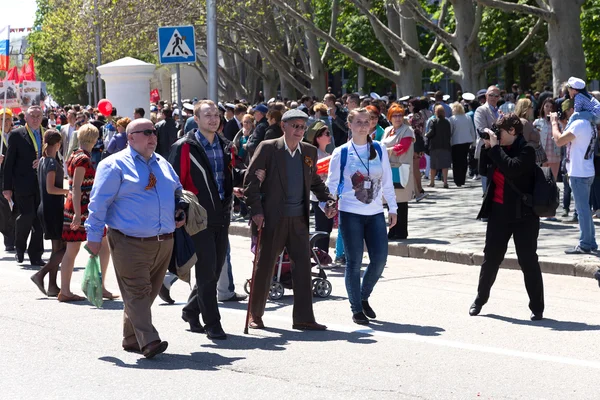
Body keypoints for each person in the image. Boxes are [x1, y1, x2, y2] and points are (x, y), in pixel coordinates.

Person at [85, 118, 186, 359]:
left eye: (154, 132)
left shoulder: (162, 162)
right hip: (129, 242)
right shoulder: (114, 165)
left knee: (145, 293)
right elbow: (98, 204)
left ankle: (131, 337)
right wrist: (94, 236)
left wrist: (180, 206)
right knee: (138, 293)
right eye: (146, 132)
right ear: (130, 138)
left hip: (164, 241)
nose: (153, 136)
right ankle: (149, 340)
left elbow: (177, 188)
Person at [244, 109, 336, 331]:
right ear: (283, 126)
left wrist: (328, 200)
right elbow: (250, 182)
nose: (299, 130)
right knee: (265, 266)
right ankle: (255, 315)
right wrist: (256, 211)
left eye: (302, 127)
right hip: (272, 219)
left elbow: (313, 180)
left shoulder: (309, 151)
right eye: (294, 125)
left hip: (299, 219)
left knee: (303, 268)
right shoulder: (268, 148)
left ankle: (304, 318)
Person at [169, 100, 245, 340]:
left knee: (213, 269)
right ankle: (213, 323)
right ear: (196, 119)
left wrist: (244, 181)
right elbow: (174, 182)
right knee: (206, 271)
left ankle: (191, 310)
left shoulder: (225, 145)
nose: (213, 119)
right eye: (207, 115)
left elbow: (229, 177)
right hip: (198, 217)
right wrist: (179, 209)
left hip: (223, 215)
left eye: (216, 115)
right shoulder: (183, 147)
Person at [470, 113, 544, 321]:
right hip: (498, 212)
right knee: (491, 259)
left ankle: (537, 307)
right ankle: (480, 299)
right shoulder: (496, 149)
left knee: (528, 261)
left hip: (524, 215)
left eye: (499, 132)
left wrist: (494, 149)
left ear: (512, 131)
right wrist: (487, 147)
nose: (497, 136)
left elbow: (512, 169)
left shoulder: (527, 149)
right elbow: (483, 170)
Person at [326, 108, 397, 325]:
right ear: (349, 124)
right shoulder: (341, 152)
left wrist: (392, 208)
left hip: (375, 213)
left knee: (379, 260)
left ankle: (363, 296)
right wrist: (326, 204)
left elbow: (386, 181)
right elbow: (331, 184)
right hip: (350, 213)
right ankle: (356, 308)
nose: (363, 125)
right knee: (354, 262)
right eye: (358, 122)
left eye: (367, 122)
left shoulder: (379, 148)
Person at [59, 123, 116, 302]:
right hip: (82, 208)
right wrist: (77, 213)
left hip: (75, 206)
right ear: (94, 138)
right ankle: (100, 287)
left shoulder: (74, 154)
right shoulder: (83, 158)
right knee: (103, 246)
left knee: (72, 250)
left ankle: (66, 290)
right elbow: (76, 187)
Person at [551, 99, 598, 254]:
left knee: (583, 209)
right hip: (585, 170)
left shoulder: (580, 124)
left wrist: (553, 124)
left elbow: (559, 141)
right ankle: (590, 242)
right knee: (585, 208)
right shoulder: (589, 123)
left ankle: (585, 244)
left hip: (579, 172)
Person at [2, 106, 45, 266]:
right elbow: (9, 163)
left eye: (38, 116)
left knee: (40, 220)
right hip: (22, 184)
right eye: (32, 116)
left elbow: (55, 157)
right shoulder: (16, 135)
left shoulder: (46, 133)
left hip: (42, 184)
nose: (35, 119)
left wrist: (43, 161)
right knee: (27, 215)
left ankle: (36, 254)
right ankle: (20, 246)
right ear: (25, 118)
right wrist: (7, 187)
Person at [30, 130, 68, 297]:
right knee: (66, 248)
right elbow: (50, 188)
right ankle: (41, 274)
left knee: (57, 248)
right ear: (58, 144)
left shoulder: (43, 160)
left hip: (46, 207)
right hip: (52, 209)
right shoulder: (51, 162)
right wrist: (68, 191)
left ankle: (53, 286)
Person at [382, 104, 414, 240]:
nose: (398, 118)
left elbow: (403, 148)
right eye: (395, 115)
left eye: (400, 115)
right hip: (388, 169)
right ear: (389, 117)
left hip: (400, 169)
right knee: (390, 201)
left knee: (400, 202)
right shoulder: (388, 130)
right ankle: (392, 229)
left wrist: (385, 150)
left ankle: (401, 231)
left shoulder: (407, 130)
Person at [306, 120, 333, 253]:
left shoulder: (327, 154)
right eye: (326, 133)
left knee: (327, 227)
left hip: (328, 194)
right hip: (318, 196)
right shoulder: (314, 153)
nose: (329, 136)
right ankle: (320, 254)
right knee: (322, 227)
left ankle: (324, 254)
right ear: (318, 137)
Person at [474, 86, 501, 192]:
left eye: (496, 95)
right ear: (486, 96)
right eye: (490, 95)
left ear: (499, 97)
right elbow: (482, 131)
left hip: (499, 151)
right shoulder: (481, 110)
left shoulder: (500, 111)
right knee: (488, 188)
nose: (493, 98)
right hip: (486, 151)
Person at [449, 102, 477, 187]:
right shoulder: (467, 117)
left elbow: (450, 132)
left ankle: (457, 180)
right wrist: (474, 141)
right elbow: (472, 129)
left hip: (456, 142)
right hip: (466, 141)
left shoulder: (452, 119)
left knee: (456, 162)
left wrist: (449, 142)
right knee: (464, 160)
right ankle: (462, 179)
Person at [0, 108, 16, 251]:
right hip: (1, 179)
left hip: (15, 177)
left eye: (8, 119)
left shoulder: (16, 135)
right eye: (2, 119)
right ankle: (9, 238)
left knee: (16, 208)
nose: (5, 122)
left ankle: (16, 236)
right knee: (4, 209)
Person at [426, 105, 452, 188]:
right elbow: (449, 134)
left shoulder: (433, 121)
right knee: (445, 165)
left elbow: (431, 132)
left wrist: (426, 135)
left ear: (436, 112)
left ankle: (432, 182)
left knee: (433, 165)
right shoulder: (447, 122)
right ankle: (445, 182)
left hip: (435, 146)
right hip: (445, 146)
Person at [534, 98, 561, 179]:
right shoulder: (537, 122)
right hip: (541, 156)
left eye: (551, 107)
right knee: (541, 179)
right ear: (543, 107)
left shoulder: (558, 123)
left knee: (553, 180)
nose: (549, 109)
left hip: (554, 154)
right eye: (547, 106)